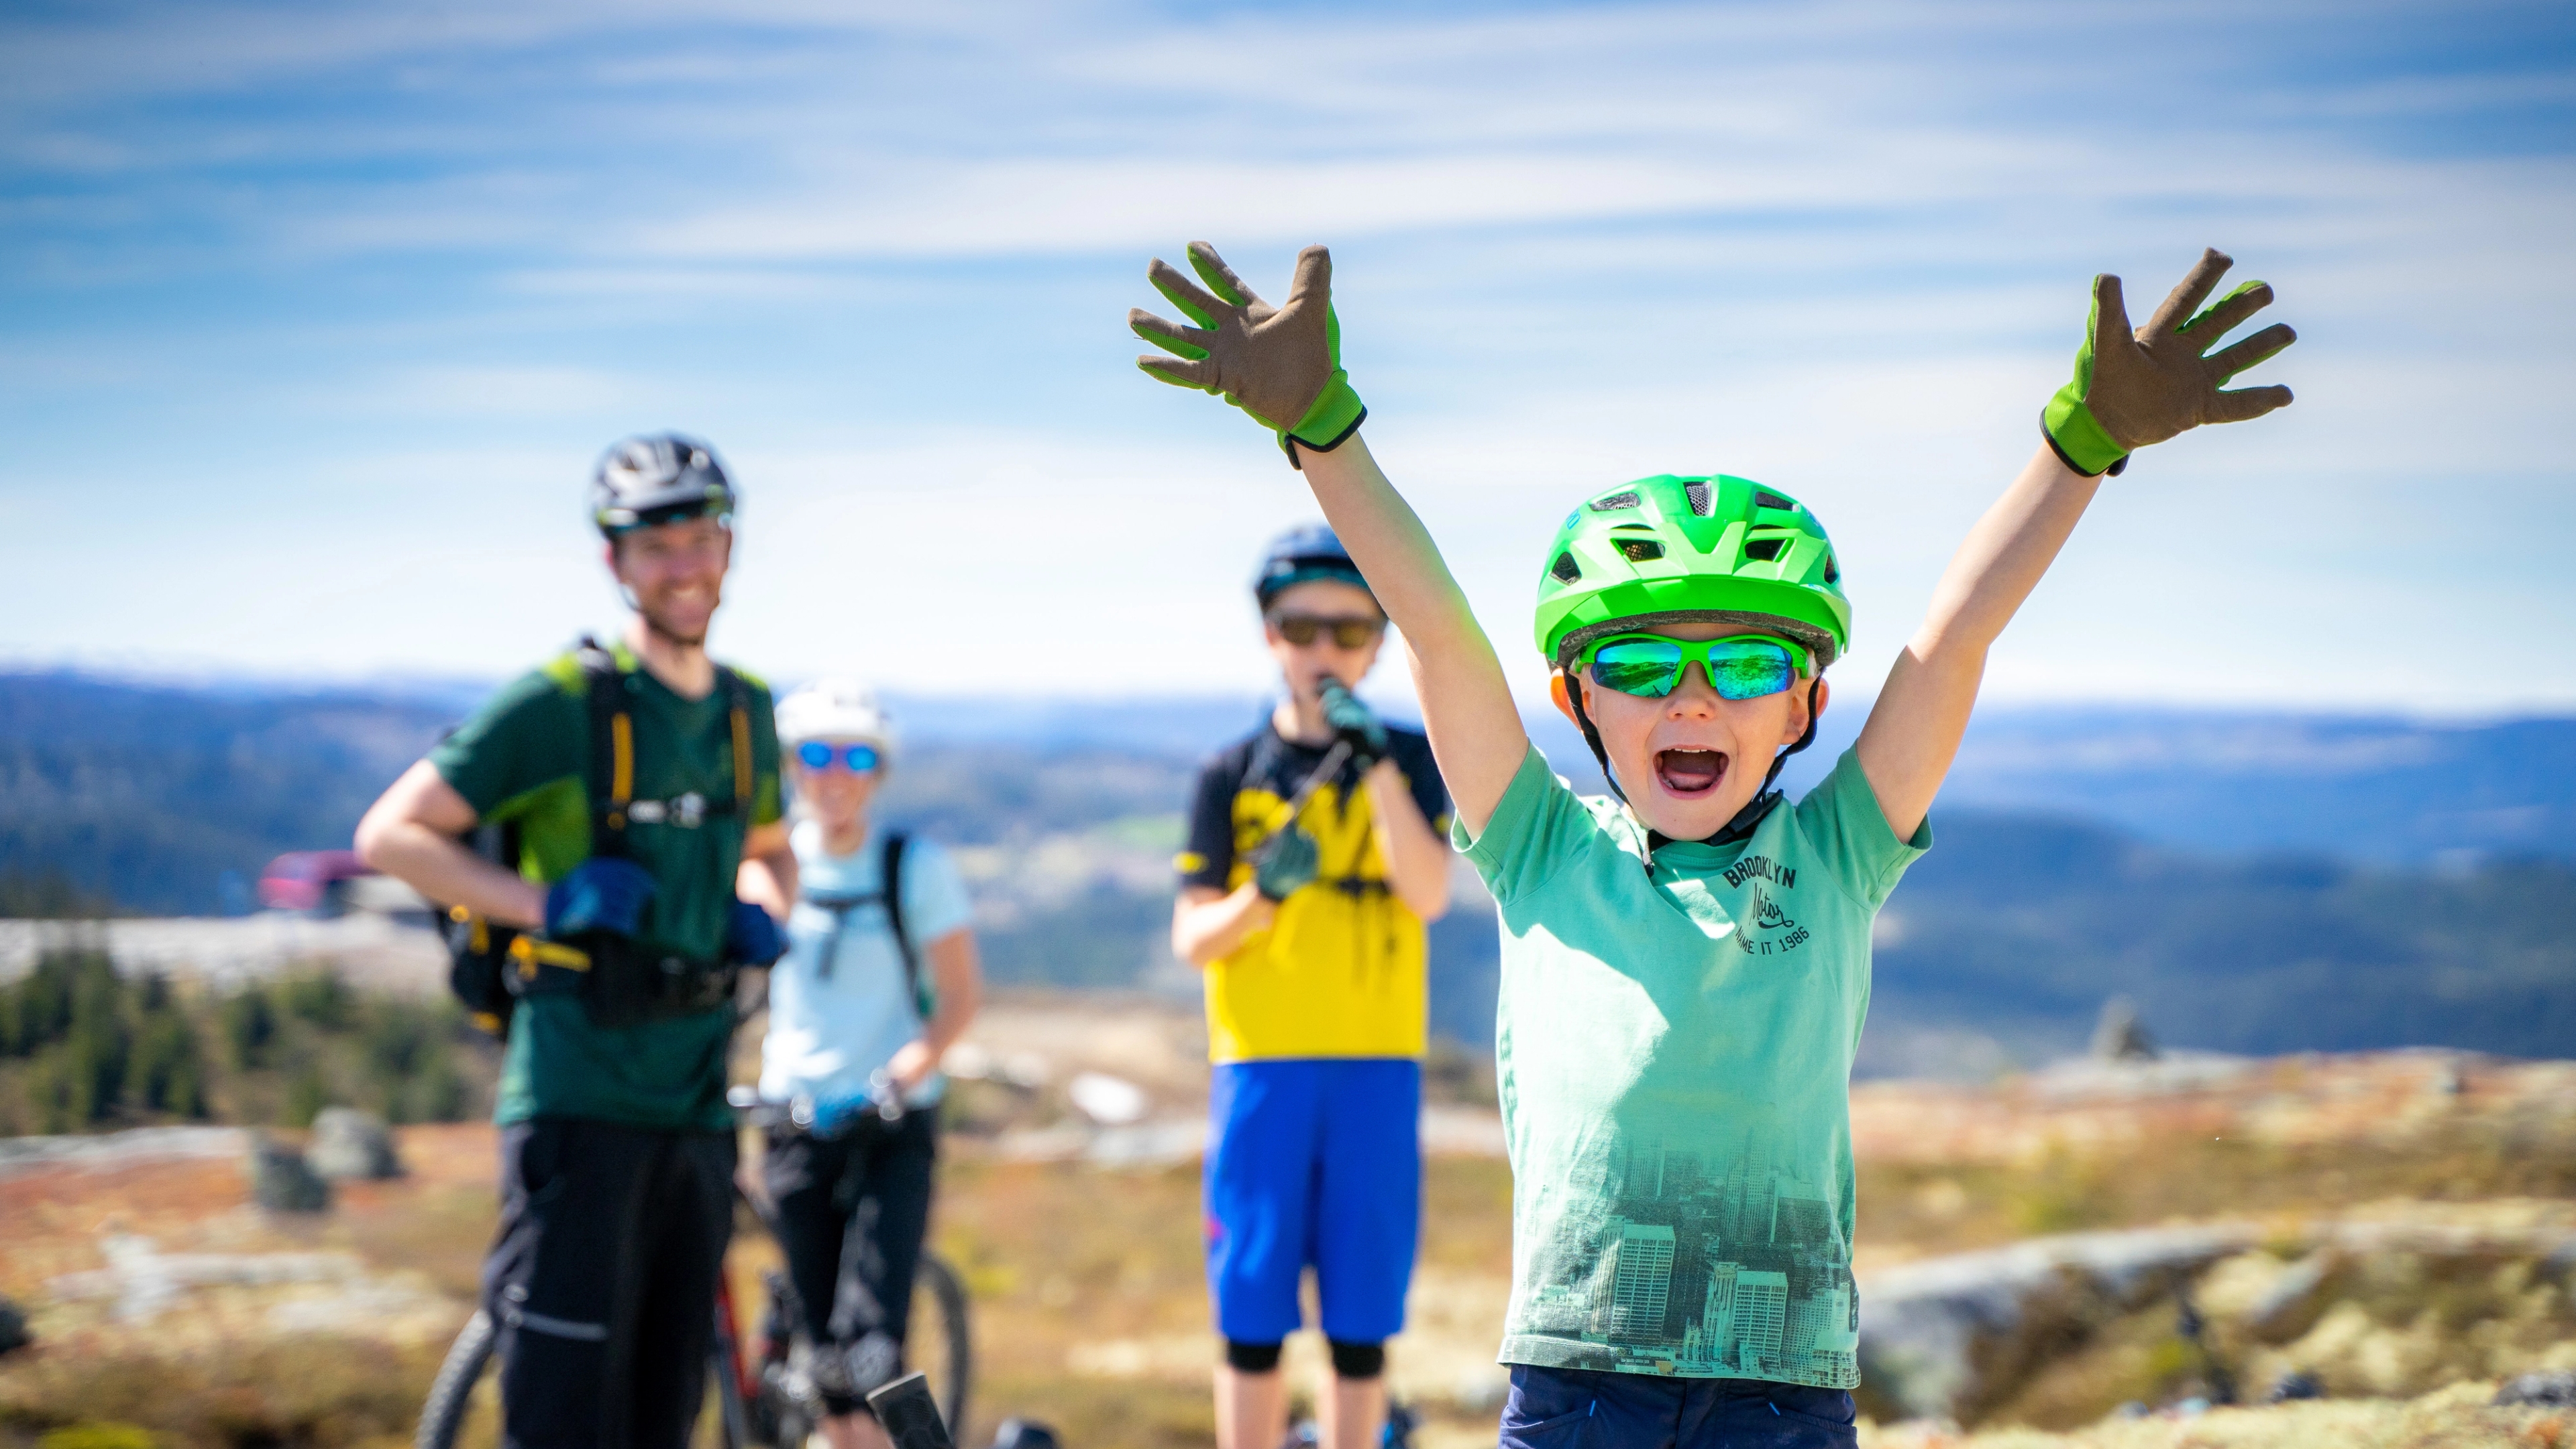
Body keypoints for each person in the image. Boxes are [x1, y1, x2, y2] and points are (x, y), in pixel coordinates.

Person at [1130, 242, 2296, 1447]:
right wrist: (1325, 429)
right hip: (1576, 1380)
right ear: (1578, 698)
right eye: (1638, 666)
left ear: (1805, 708)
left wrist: (2080, 445)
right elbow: (1435, 627)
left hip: (1784, 1387)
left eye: (1742, 665)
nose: (1691, 700)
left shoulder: (1838, 851)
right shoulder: (1538, 846)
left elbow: (1950, 641)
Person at [356, 433, 794, 1449]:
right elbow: (391, 835)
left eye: (701, 538)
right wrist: (544, 905)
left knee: (662, 1411)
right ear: (617, 563)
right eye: (656, 546)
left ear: (728, 546)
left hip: (694, 1106)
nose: (684, 566)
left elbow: (769, 849)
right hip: (577, 1097)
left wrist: (760, 901)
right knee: (561, 1415)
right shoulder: (559, 702)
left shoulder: (746, 712)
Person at [1171, 524, 1454, 1449]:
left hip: (1377, 1063)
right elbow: (1194, 938)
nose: (1323, 651)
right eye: (1300, 628)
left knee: (1362, 1316)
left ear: (1378, 642)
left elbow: (1427, 891)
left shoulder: (1413, 759)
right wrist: (1262, 896)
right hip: (1261, 1065)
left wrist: (1373, 764)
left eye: (1348, 630)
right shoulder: (1228, 774)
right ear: (1270, 635)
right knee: (1250, 1306)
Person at [756, 678, 983, 1449]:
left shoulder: (913, 868)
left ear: (879, 770)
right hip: (792, 1122)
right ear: (792, 766)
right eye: (815, 756)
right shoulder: (770, 863)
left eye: (856, 757)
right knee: (822, 1354)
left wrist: (901, 1077)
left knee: (873, 1347)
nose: (834, 774)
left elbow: (956, 999)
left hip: (891, 1122)